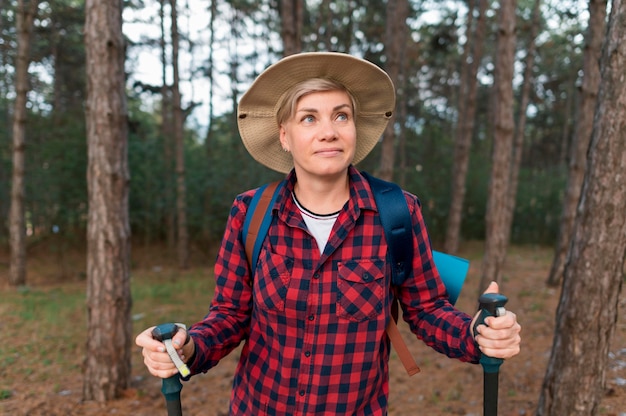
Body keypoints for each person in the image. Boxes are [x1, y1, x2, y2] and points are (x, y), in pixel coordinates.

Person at [136, 52, 521, 415]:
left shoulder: (397, 212)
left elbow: (427, 311)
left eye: (341, 116)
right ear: (284, 135)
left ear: (354, 128)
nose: (328, 132)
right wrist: (186, 349)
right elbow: (229, 316)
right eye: (309, 118)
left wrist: (477, 333)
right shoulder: (250, 213)